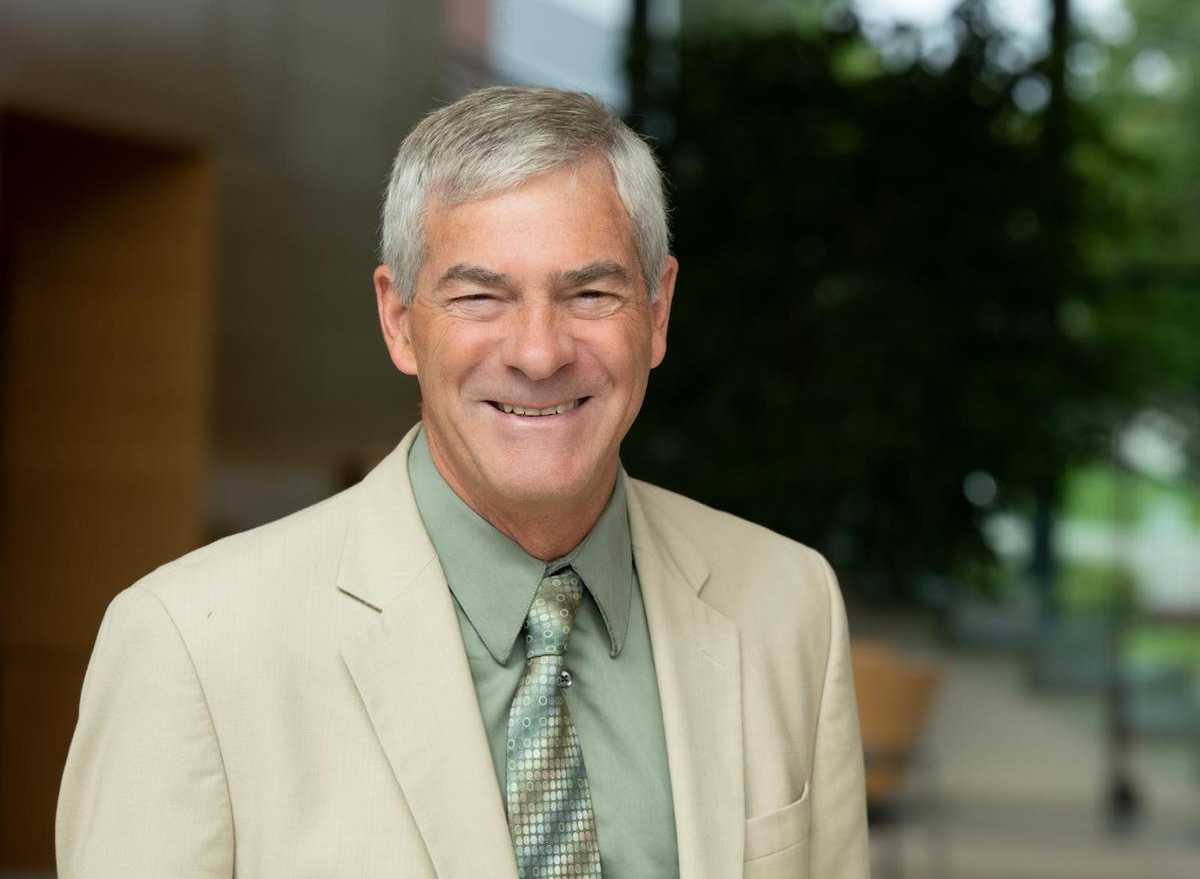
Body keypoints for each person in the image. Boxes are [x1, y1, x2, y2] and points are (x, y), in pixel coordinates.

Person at [57, 86, 868, 878]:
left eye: (590, 292)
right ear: (400, 320)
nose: (540, 353)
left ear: (656, 313)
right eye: (481, 297)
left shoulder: (788, 605)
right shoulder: (190, 645)